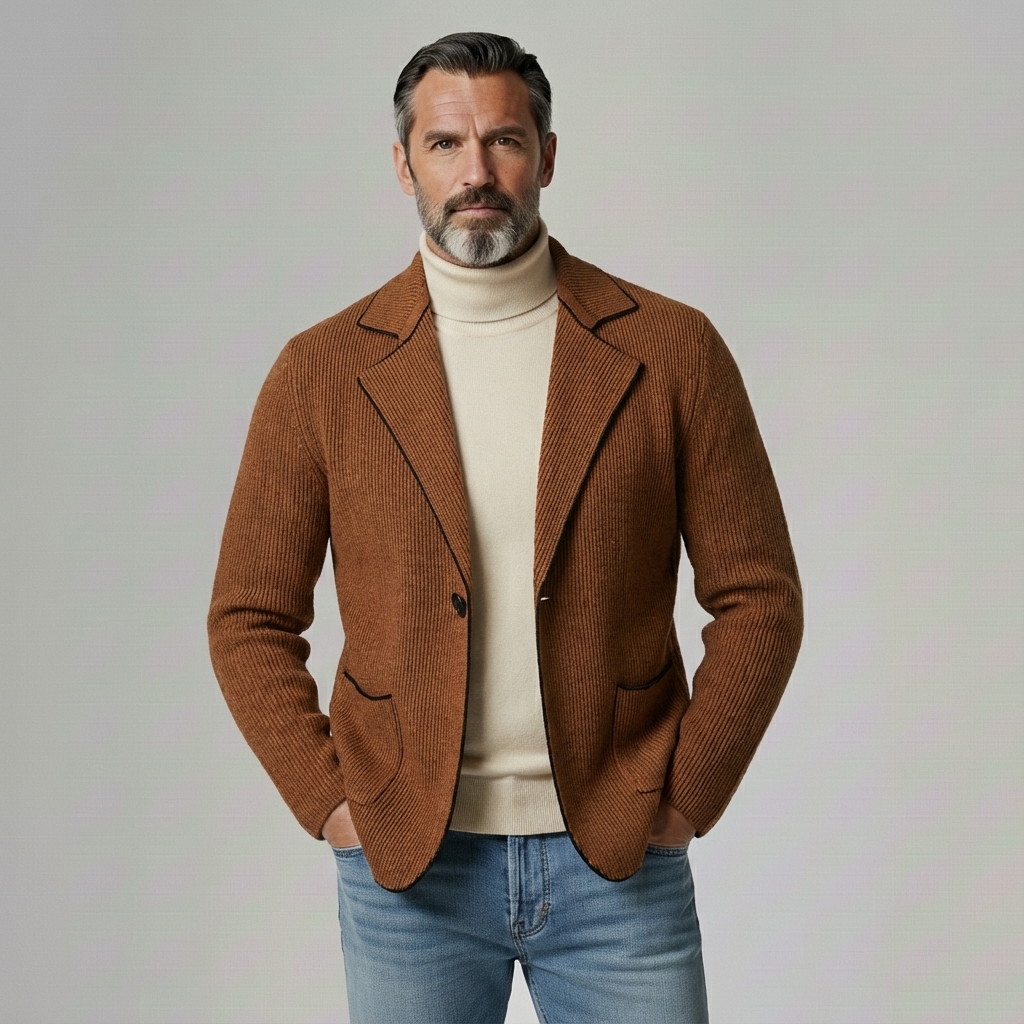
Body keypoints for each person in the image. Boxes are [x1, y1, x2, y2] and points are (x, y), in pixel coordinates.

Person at [208, 32, 802, 1024]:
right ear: (404, 164)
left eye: (505, 141)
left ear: (548, 156)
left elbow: (761, 599)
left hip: (617, 862)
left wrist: (685, 794)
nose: (475, 172)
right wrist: (332, 801)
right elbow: (247, 616)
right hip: (410, 872)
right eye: (445, 144)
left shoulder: (671, 351)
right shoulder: (321, 372)